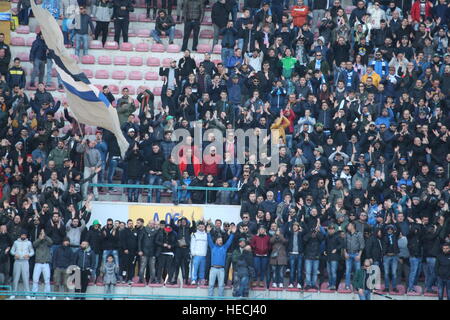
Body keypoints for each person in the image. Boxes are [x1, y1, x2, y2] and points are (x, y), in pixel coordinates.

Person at [206, 223, 236, 296]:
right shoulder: (212, 247)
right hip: (213, 269)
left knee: (221, 286)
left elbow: (229, 241)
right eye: (219, 240)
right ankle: (210, 298)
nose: (221, 241)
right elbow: (209, 239)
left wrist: (232, 234)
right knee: (211, 285)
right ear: (216, 241)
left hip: (221, 269)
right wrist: (208, 232)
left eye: (221, 240)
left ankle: (220, 298)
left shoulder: (224, 248)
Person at [9, 230, 34, 300]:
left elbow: (32, 251)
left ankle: (27, 294)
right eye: (22, 235)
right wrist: (14, 254)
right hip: (17, 262)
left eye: (25, 235)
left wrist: (28, 255)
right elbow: (11, 251)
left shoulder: (29, 243)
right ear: (20, 235)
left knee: (26, 278)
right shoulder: (16, 242)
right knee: (15, 278)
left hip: (25, 262)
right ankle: (13, 293)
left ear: (26, 236)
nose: (23, 236)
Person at [32, 229, 53, 299]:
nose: (42, 234)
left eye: (43, 233)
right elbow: (34, 245)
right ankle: (34, 294)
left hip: (46, 263)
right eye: (41, 233)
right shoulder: (37, 241)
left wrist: (45, 236)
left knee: (47, 280)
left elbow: (51, 242)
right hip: (37, 263)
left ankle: (48, 295)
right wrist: (39, 239)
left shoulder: (47, 241)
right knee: (35, 279)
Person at [344, 222, 365, 290]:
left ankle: (357, 286)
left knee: (358, 271)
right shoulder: (347, 234)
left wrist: (359, 255)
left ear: (352, 226)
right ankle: (347, 285)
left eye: (349, 225)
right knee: (348, 271)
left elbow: (362, 245)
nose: (348, 227)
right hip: (348, 254)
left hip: (356, 254)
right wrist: (345, 253)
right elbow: (344, 244)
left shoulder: (359, 234)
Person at [190, 221, 208, 285]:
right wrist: (193, 253)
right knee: (195, 268)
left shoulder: (206, 235)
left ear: (204, 227)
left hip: (203, 255)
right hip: (196, 255)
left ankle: (201, 280)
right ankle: (193, 280)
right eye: (200, 227)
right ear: (197, 227)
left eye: (202, 227)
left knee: (202, 269)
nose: (201, 228)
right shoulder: (194, 235)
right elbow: (192, 245)